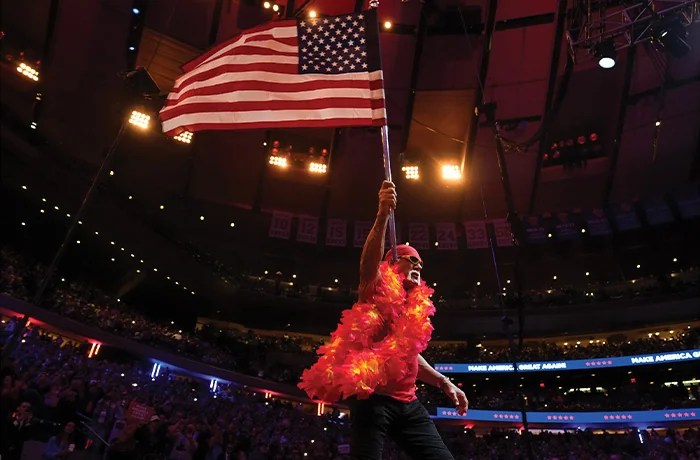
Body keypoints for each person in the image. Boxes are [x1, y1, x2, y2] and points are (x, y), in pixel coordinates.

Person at [299, 180, 468, 459]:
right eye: (412, 260)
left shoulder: (413, 308)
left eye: (421, 264)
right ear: (391, 264)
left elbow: (410, 355)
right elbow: (367, 264)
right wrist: (381, 215)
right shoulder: (374, 289)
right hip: (372, 399)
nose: (418, 266)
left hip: (408, 403)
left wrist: (443, 381)